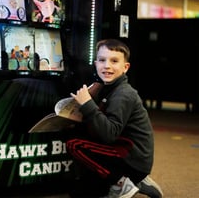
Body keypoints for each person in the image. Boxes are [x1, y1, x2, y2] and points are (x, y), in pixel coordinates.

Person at [66, 39, 163, 198]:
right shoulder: (107, 88)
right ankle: (137, 181)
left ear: (125, 67)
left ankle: (122, 182)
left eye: (114, 61)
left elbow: (109, 134)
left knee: (74, 145)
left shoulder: (124, 94)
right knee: (79, 192)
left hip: (132, 159)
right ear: (96, 63)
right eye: (102, 60)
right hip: (124, 152)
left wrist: (87, 104)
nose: (107, 66)